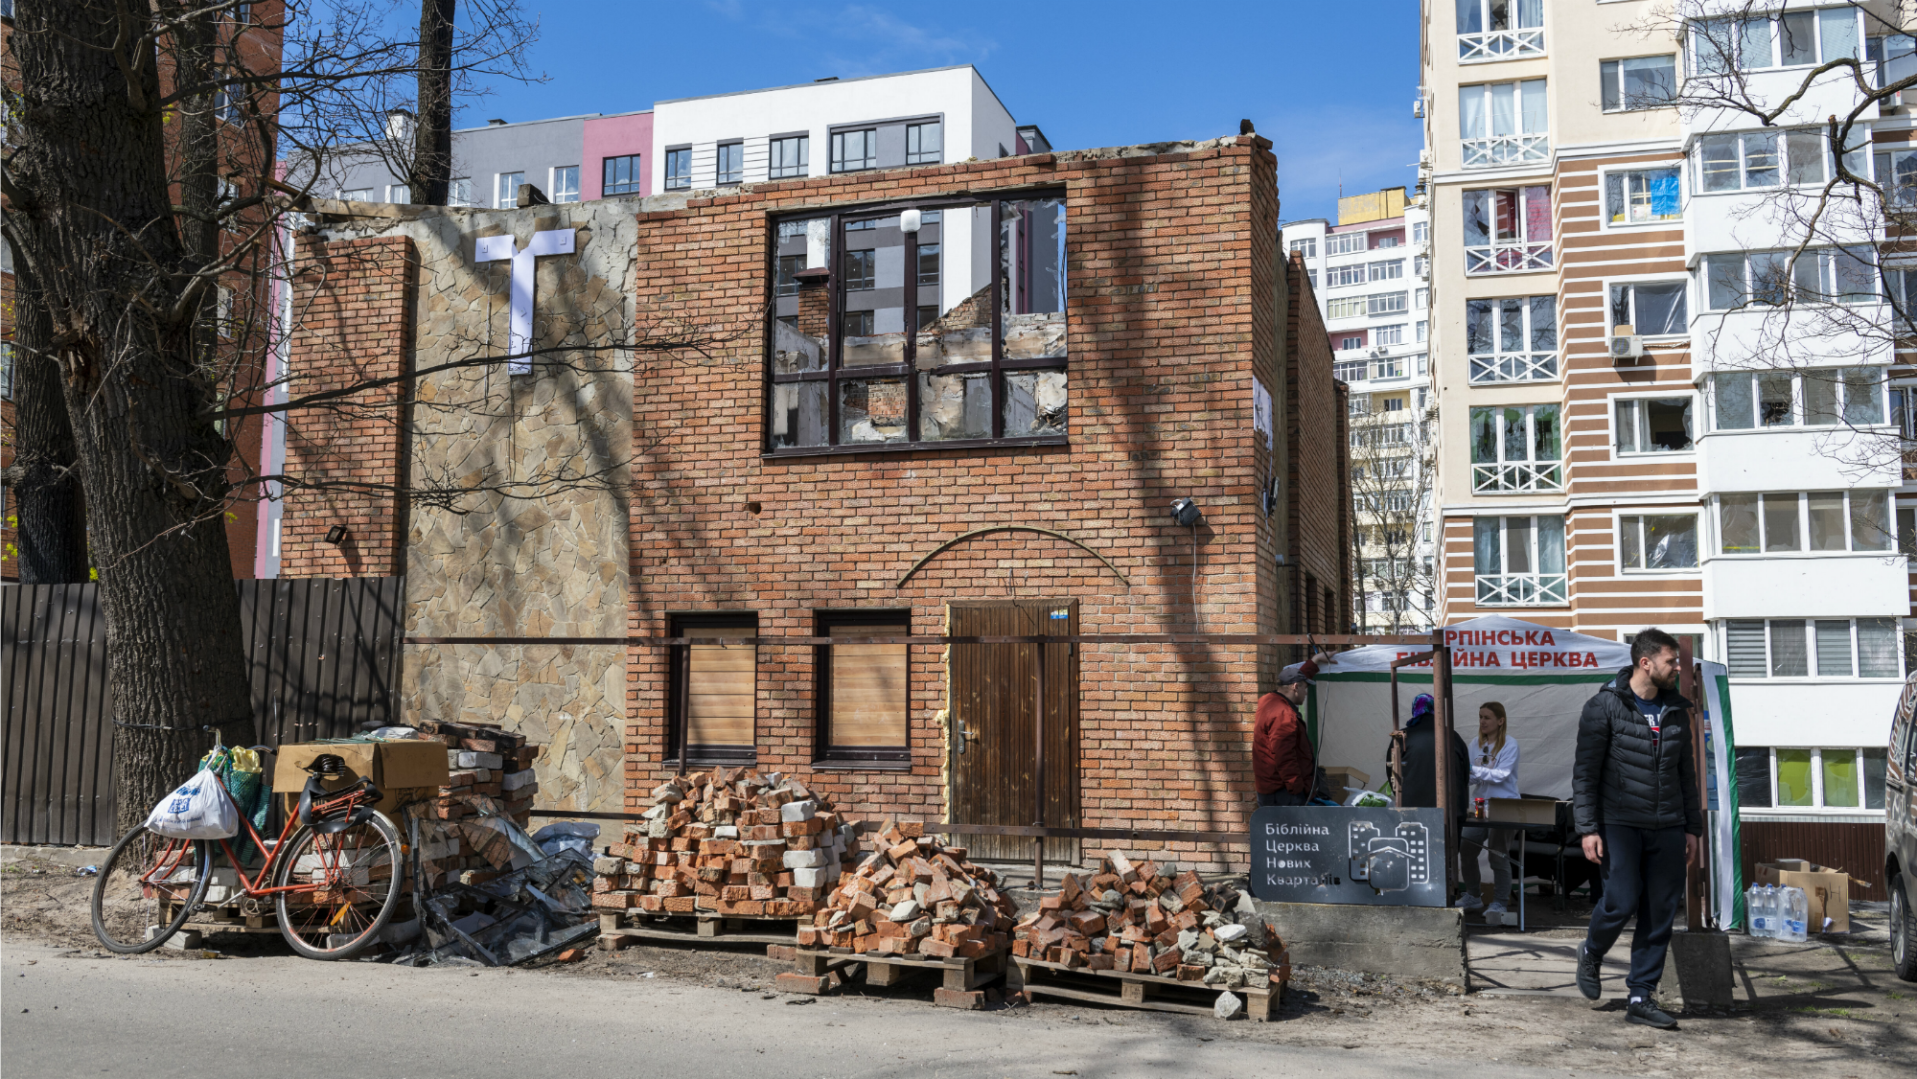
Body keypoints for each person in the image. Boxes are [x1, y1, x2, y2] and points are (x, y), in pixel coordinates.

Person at [1572, 628, 1702, 1031]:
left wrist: (1692, 828)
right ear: (1645, 663)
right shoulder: (1603, 706)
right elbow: (1585, 773)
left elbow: (1686, 774)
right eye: (1670, 661)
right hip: (1620, 823)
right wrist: (1588, 828)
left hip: (1668, 825)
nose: (1677, 667)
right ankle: (1592, 952)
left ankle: (1641, 995)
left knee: (1660, 913)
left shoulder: (1677, 710)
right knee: (1621, 900)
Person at [1456, 701, 1520, 918]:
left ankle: (1500, 903)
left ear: (1500, 721)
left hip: (1505, 806)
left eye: (1487, 717)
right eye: (1480, 717)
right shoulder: (1475, 743)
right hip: (1480, 805)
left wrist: (1472, 770)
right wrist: (1467, 773)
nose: (1482, 721)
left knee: (1498, 856)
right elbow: (1472, 777)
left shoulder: (1510, 744)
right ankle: (1473, 896)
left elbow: (1502, 774)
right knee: (1466, 848)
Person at [1253, 652, 1331, 808]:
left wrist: (1314, 662)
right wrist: (1297, 791)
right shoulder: (1283, 714)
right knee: (1289, 832)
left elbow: (1295, 677)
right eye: (1305, 688)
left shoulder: (1270, 701)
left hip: (1273, 789)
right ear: (1296, 687)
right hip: (1282, 793)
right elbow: (1284, 756)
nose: (1306, 692)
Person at [1392, 692, 1468, 818]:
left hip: (1413, 811)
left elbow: (1393, 774)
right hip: (1450, 812)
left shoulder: (1403, 737)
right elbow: (1465, 773)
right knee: (1449, 838)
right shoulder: (1453, 736)